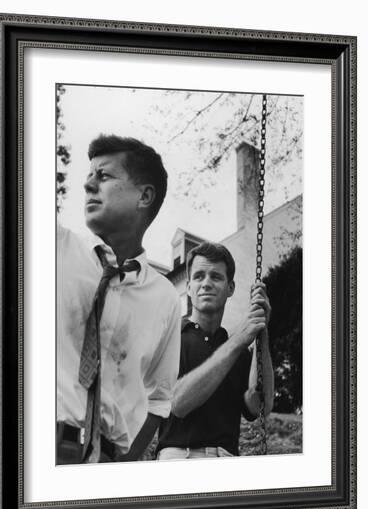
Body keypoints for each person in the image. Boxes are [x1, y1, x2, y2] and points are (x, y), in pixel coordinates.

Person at [57, 135, 181, 464]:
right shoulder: (51, 248)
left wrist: (123, 467)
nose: (88, 185)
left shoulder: (165, 297)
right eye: (88, 176)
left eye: (104, 175)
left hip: (109, 463)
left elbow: (159, 399)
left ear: (145, 196)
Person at [156, 242, 274, 460]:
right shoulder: (171, 338)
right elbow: (178, 403)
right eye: (199, 276)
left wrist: (261, 332)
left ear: (230, 288)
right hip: (180, 459)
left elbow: (259, 406)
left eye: (216, 277)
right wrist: (239, 340)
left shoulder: (238, 351)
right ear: (189, 287)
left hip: (226, 460)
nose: (206, 283)